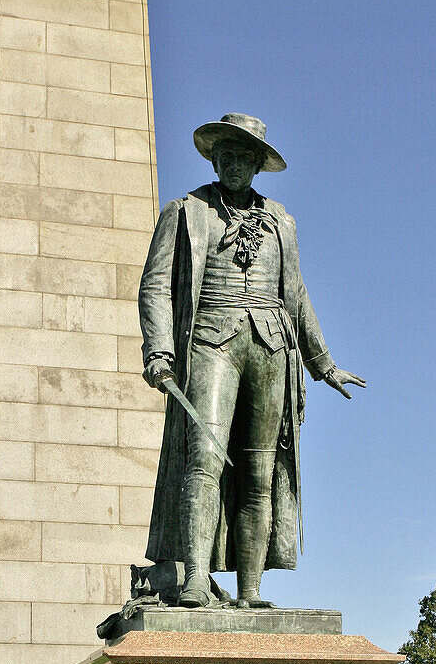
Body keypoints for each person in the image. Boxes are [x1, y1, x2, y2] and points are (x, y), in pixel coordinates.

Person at [139, 113, 365, 608]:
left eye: (246, 155)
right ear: (214, 157)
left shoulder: (282, 220)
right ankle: (196, 578)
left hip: (271, 349)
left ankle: (251, 591)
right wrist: (159, 349)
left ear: (259, 164)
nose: (235, 163)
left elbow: (297, 293)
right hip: (210, 341)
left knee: (261, 473)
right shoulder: (185, 211)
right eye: (228, 153)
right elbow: (156, 287)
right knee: (204, 458)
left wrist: (322, 363)